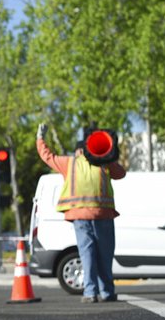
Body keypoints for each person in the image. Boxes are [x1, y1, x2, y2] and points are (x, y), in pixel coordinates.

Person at [36, 123, 126, 303]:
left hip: (80, 216)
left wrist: (40, 138)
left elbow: (48, 156)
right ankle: (107, 292)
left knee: (87, 253)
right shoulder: (104, 163)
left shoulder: (69, 164)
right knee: (105, 255)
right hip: (102, 214)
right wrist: (110, 156)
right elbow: (121, 173)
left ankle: (90, 293)